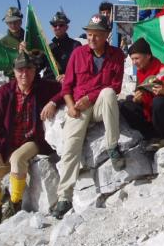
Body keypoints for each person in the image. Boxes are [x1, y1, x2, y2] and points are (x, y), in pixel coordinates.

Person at [48, 14, 125, 219]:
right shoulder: (78, 54)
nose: (91, 39)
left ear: (107, 35)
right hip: (78, 106)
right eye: (89, 34)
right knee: (71, 146)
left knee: (108, 93)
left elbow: (115, 87)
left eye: (96, 35)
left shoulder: (117, 55)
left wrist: (90, 97)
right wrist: (71, 106)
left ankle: (112, 146)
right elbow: (67, 86)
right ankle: (64, 196)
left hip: (98, 103)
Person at [0, 52, 61, 230]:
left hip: (32, 141)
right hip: (6, 144)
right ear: (14, 72)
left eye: (29, 69)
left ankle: (15, 203)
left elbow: (64, 89)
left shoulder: (43, 88)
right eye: (20, 70)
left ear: (35, 71)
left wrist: (53, 102)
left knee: (18, 159)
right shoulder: (4, 93)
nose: (24, 74)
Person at [120, 38, 164, 151]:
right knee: (126, 105)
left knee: (158, 102)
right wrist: (137, 99)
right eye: (132, 59)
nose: (134, 63)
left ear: (148, 56)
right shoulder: (141, 70)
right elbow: (140, 93)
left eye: (137, 58)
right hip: (152, 111)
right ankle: (152, 136)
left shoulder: (163, 70)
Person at [43, 11, 81, 82]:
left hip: (67, 83)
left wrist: (67, 76)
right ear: (51, 28)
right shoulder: (48, 47)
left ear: (67, 27)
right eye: (55, 25)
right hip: (47, 84)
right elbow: (38, 65)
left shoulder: (76, 45)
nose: (57, 27)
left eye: (61, 25)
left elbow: (80, 68)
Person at [0, 7, 25, 78]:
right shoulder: (2, 42)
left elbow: (40, 59)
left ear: (20, 21)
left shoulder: (30, 38)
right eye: (10, 23)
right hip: (13, 80)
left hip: (32, 79)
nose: (13, 25)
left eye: (15, 22)